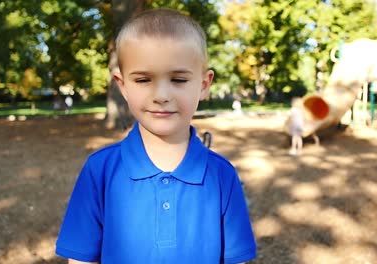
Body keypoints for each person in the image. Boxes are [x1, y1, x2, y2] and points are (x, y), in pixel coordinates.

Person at [55, 9, 256, 264]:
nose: (161, 95)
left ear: (204, 85)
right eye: (143, 79)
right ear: (123, 85)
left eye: (179, 79)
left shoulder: (222, 175)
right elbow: (81, 259)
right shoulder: (100, 171)